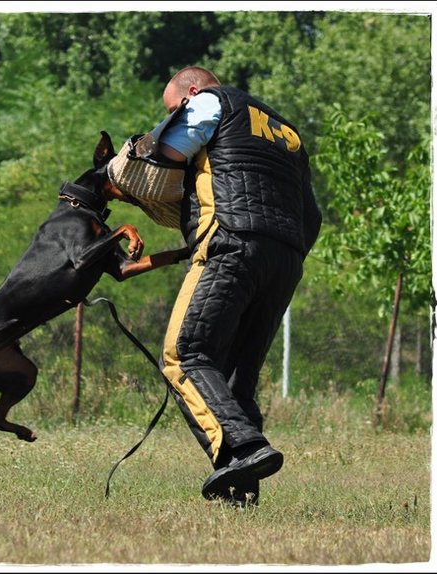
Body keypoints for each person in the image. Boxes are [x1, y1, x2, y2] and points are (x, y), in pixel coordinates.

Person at [108, 66, 322, 506]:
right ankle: (240, 490)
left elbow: (169, 152)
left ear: (191, 92)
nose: (175, 112)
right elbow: (312, 216)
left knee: (185, 355)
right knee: (235, 376)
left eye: (174, 107)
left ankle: (247, 448)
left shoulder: (211, 102)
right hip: (286, 257)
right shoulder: (288, 134)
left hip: (231, 241)